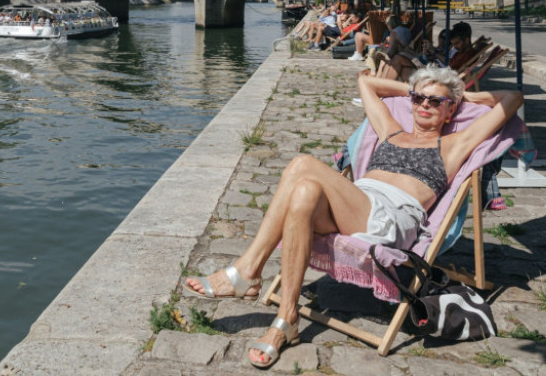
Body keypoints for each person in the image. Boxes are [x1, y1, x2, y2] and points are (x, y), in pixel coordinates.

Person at [184, 65, 522, 368]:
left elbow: (512, 98)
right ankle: (285, 322)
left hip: (391, 219)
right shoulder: (392, 130)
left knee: (302, 165)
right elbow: (366, 84)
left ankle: (248, 271)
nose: (424, 106)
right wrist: (416, 88)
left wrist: (464, 96)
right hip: (356, 205)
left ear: (451, 111)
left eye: (437, 102)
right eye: (420, 99)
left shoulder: (455, 145)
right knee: (302, 194)